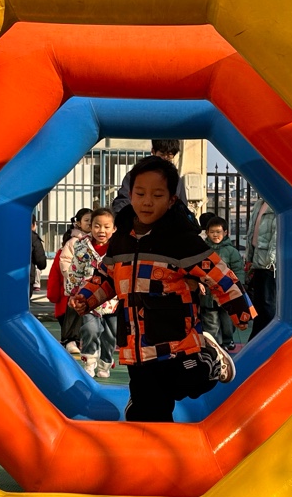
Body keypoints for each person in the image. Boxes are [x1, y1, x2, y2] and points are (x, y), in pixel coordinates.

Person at [71, 156, 254, 422]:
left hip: (176, 337)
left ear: (171, 200)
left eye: (157, 195)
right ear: (130, 195)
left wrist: (241, 311)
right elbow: (107, 276)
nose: (147, 201)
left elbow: (219, 275)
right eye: (140, 193)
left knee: (191, 382)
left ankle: (211, 357)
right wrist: (87, 298)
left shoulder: (181, 239)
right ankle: (143, 412)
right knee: (149, 412)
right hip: (137, 343)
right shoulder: (121, 239)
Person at [63, 208, 119, 379]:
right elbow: (74, 271)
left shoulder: (118, 247)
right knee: (90, 329)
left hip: (112, 300)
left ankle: (105, 362)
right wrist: (73, 293)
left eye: (106, 227)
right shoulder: (82, 246)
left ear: (114, 228)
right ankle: (89, 361)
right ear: (90, 226)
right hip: (87, 298)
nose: (101, 230)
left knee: (110, 335)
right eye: (97, 226)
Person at [198, 213, 245, 352]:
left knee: (227, 319)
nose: (215, 235)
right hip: (208, 293)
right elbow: (197, 270)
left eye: (218, 232)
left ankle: (228, 340)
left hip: (227, 291)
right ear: (207, 232)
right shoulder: (202, 250)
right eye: (212, 232)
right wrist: (199, 282)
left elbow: (238, 270)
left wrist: (240, 286)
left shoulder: (231, 251)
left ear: (225, 232)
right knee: (210, 320)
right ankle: (216, 344)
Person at [111, 139, 189, 214]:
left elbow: (183, 208)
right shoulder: (136, 175)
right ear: (153, 151)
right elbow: (122, 202)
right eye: (162, 154)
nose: (165, 158)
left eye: (169, 155)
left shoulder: (176, 180)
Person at [54, 208, 92, 351]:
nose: (90, 223)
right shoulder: (73, 241)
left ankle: (84, 341)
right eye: (87, 220)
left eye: (92, 220)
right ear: (78, 223)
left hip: (93, 284)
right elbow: (64, 261)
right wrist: (73, 277)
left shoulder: (96, 240)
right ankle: (70, 339)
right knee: (75, 310)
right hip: (77, 283)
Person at [244, 198, 277, 339]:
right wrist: (249, 257)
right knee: (258, 305)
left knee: (267, 304)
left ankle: (269, 338)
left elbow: (277, 236)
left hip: (268, 264)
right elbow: (252, 234)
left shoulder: (276, 204)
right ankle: (257, 338)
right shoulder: (259, 203)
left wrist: (271, 261)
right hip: (257, 261)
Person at [30, 216, 48, 296]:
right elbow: (41, 262)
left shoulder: (5, 235)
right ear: (33, 225)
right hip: (26, 277)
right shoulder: (33, 237)